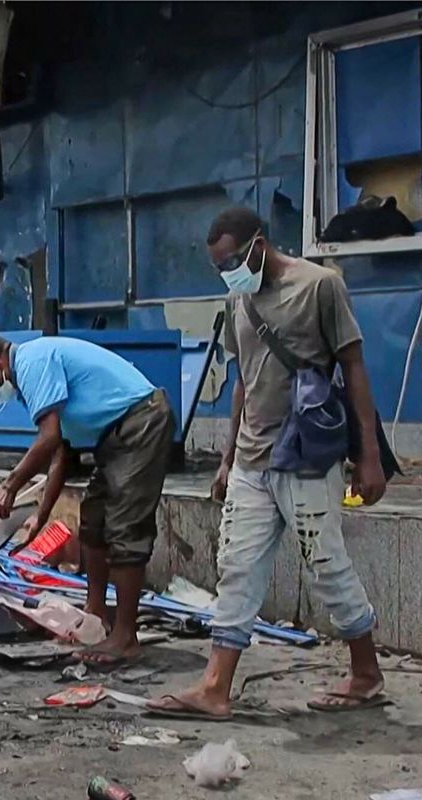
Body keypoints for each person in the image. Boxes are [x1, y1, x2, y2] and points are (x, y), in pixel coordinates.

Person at [149, 207, 386, 721]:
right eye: (218, 266)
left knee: (325, 564)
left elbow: (354, 366)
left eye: (232, 260)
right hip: (252, 463)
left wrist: (368, 457)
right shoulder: (239, 300)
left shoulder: (320, 286)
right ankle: (215, 687)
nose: (227, 271)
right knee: (236, 568)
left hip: (308, 454)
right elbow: (243, 379)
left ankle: (366, 673)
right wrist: (227, 456)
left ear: (259, 243)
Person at [0, 334, 175, 666]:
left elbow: (47, 439)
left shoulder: (31, 362)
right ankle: (96, 613)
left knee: (125, 527)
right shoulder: (29, 379)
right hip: (116, 435)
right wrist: (41, 515)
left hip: (140, 423)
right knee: (93, 520)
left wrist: (10, 486)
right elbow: (60, 453)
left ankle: (125, 638)